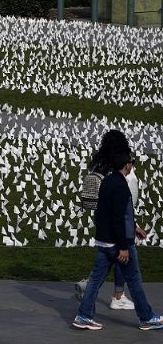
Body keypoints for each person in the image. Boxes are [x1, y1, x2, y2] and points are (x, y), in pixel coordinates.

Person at [73, 130, 163, 331]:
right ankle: (146, 317)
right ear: (127, 164)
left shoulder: (106, 182)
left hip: (104, 241)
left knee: (96, 279)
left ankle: (83, 315)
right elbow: (119, 217)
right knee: (134, 278)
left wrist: (135, 227)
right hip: (119, 242)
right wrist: (124, 246)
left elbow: (109, 214)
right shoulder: (121, 186)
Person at [74, 130, 139, 310]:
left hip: (100, 214)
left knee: (108, 255)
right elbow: (125, 204)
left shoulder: (99, 163)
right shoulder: (119, 168)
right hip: (117, 215)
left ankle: (93, 290)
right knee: (121, 252)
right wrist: (133, 224)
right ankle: (118, 295)